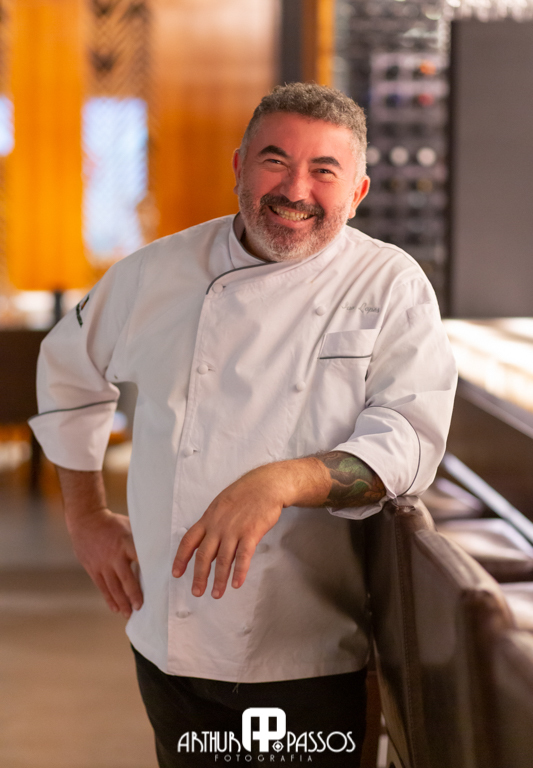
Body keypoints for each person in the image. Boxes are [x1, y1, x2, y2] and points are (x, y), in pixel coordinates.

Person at [29, 83, 457, 767]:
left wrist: (280, 481)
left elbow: (408, 439)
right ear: (238, 166)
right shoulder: (155, 274)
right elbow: (66, 372)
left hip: (308, 647)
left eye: (323, 170)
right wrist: (85, 517)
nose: (295, 190)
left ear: (357, 192)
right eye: (274, 160)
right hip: (171, 640)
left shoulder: (389, 285)